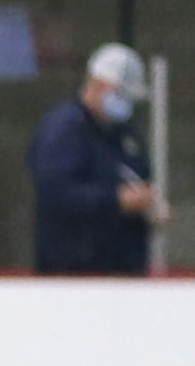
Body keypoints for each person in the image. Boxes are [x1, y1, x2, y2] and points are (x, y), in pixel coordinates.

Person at [31, 43, 165, 277]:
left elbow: (138, 178)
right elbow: (55, 194)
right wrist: (116, 201)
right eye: (121, 95)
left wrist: (148, 207)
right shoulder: (64, 129)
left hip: (124, 272)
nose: (126, 105)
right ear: (99, 85)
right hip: (75, 274)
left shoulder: (125, 134)